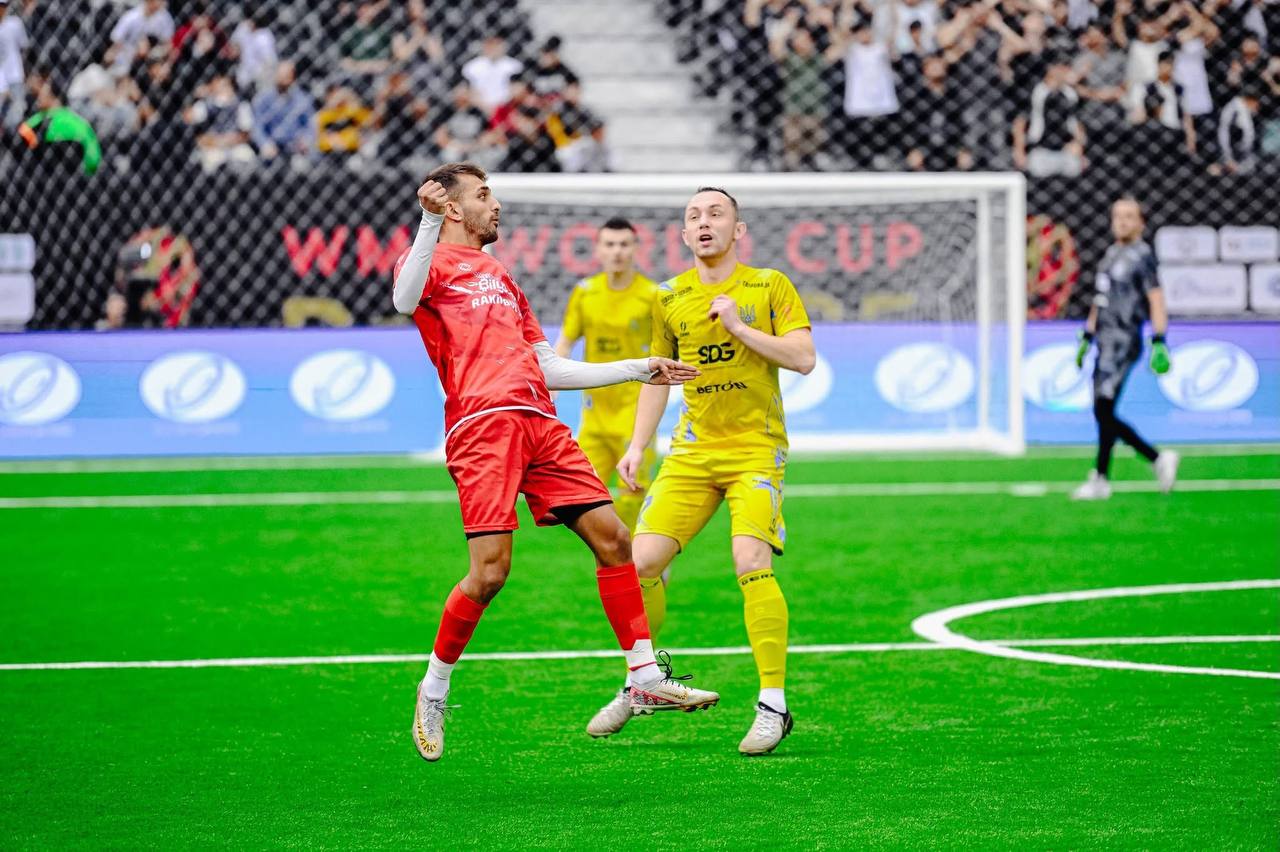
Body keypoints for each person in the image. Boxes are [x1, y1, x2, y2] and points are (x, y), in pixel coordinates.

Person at [390, 163, 720, 763]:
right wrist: (427, 221)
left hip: (541, 423)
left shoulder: (502, 276)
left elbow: (547, 365)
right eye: (484, 195)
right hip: (483, 426)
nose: (496, 204)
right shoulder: (428, 261)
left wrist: (637, 368)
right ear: (454, 208)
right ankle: (433, 686)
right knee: (490, 574)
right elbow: (402, 299)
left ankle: (644, 676)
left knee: (615, 539)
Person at [592, 187, 816, 756]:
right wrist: (637, 446)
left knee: (750, 560)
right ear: (684, 235)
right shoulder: (669, 297)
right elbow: (659, 378)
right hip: (691, 453)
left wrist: (739, 327)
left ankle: (773, 705)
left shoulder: (769, 285)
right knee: (639, 563)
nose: (704, 222)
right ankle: (642, 682)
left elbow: (803, 358)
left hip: (755, 449)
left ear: (738, 230)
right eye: (694, 216)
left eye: (716, 213)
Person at [553, 218, 659, 531]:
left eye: (624, 244)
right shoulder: (585, 292)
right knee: (583, 494)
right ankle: (611, 552)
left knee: (632, 492)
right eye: (610, 244)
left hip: (634, 412)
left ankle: (638, 553)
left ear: (636, 249)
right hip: (595, 416)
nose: (617, 251)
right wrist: (551, 383)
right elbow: (566, 341)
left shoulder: (651, 295)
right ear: (598, 249)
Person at [1072, 197, 1178, 501]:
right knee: (1104, 410)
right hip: (1104, 341)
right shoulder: (1109, 255)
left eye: (1129, 216)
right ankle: (1102, 477)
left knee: (1102, 409)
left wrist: (1159, 340)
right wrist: (1088, 334)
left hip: (1124, 340)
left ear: (1141, 223)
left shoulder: (1142, 256)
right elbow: (1100, 300)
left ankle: (1155, 458)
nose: (1122, 221)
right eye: (1118, 215)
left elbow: (1156, 298)